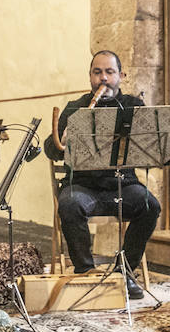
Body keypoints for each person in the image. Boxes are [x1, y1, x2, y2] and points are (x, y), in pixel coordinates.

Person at [44, 50, 160, 300]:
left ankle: (125, 271)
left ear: (121, 76)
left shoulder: (132, 106)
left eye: (109, 72)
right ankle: (86, 273)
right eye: (98, 72)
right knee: (70, 204)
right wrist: (60, 141)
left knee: (150, 205)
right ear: (90, 77)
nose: (103, 78)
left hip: (123, 185)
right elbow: (50, 149)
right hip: (83, 187)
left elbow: (152, 145)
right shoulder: (75, 108)